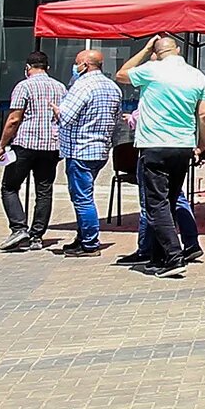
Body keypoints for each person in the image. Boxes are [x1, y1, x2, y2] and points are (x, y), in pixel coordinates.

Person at [117, 37, 205, 275]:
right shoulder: (196, 75)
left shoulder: (152, 70)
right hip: (183, 145)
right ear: (178, 50)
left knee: (156, 203)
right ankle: (159, 257)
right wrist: (202, 145)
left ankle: (173, 256)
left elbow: (122, 74)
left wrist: (146, 50)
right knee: (169, 200)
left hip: (155, 144)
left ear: (156, 52)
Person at [0, 52, 67, 251]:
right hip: (51, 146)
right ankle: (37, 235)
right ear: (48, 67)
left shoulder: (23, 86)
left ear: (28, 67)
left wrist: (2, 144)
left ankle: (19, 227)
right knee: (44, 190)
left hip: (25, 143)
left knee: (9, 187)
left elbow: (14, 119)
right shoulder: (60, 87)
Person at [56, 51, 119, 256]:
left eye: (76, 63)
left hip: (80, 149)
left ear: (85, 64)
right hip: (99, 149)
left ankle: (90, 242)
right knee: (83, 195)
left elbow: (67, 116)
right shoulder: (113, 87)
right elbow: (115, 117)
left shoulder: (82, 86)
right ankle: (82, 236)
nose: (74, 67)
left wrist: (56, 111)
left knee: (82, 198)